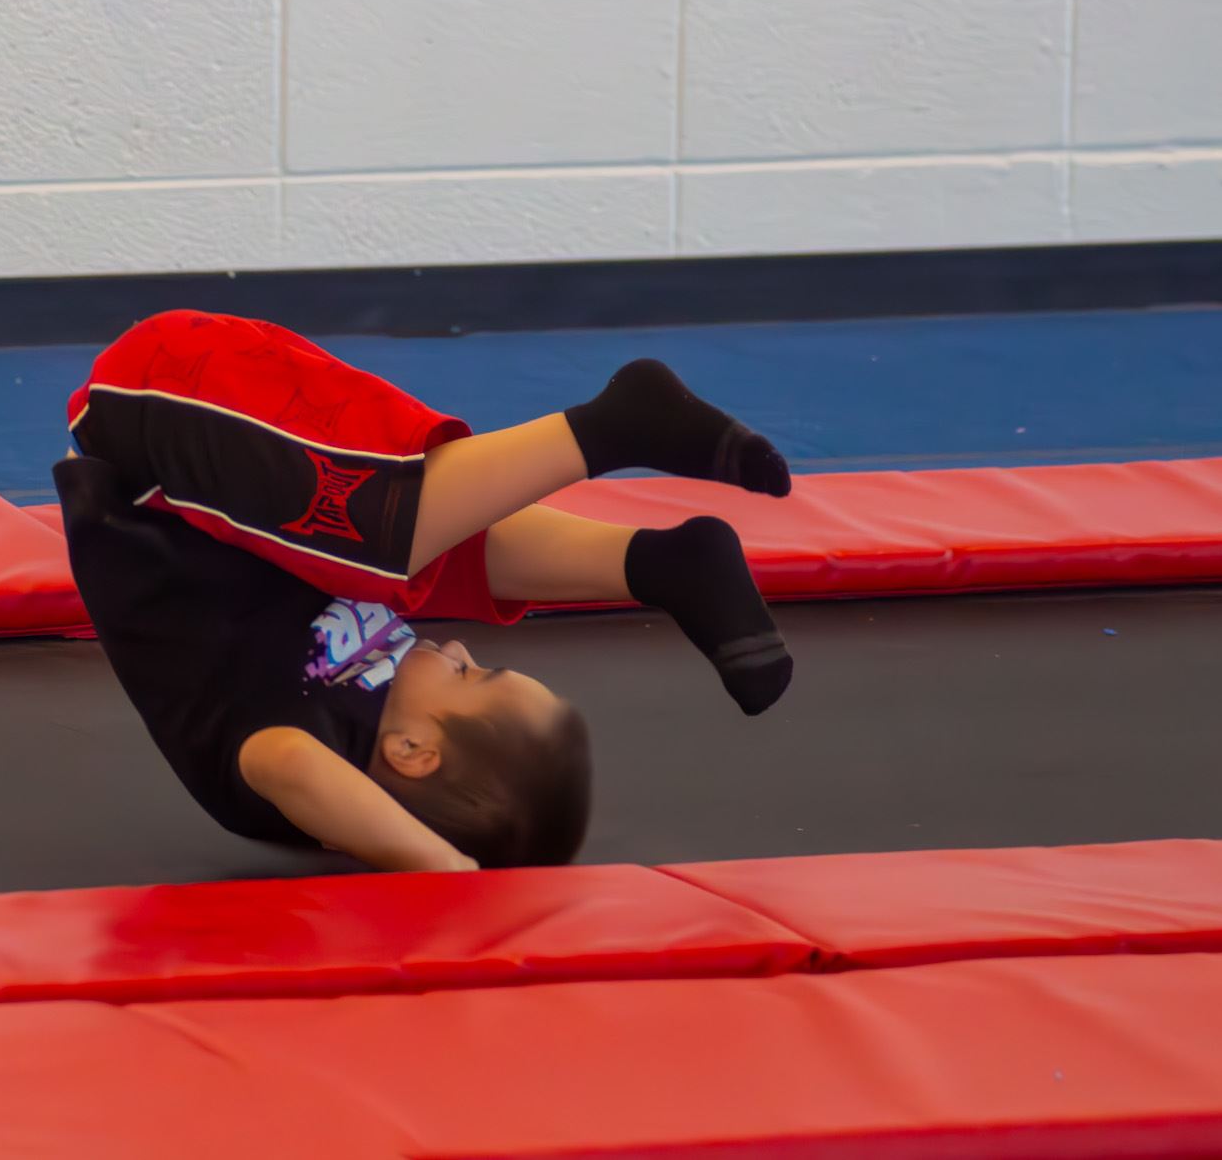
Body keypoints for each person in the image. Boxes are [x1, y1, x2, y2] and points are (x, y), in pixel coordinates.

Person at [53, 310, 793, 874]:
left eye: (474, 673)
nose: (463, 647)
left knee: (380, 533)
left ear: (411, 750)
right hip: (232, 471)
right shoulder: (385, 707)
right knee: (420, 554)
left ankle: (615, 427)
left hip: (145, 430)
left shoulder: (294, 754)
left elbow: (290, 769)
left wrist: (445, 869)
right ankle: (654, 562)